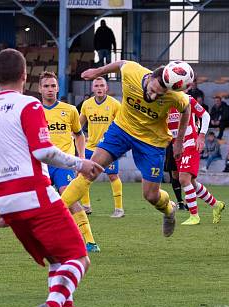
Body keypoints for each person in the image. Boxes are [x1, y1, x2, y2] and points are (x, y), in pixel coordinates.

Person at [0, 48, 103, 307]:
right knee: (79, 258)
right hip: (34, 193)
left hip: (8, 202)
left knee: (57, 260)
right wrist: (80, 162)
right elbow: (43, 152)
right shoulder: (29, 105)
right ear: (25, 76)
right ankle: (53, 306)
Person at [60, 59, 191, 238]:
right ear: (150, 77)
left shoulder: (176, 96)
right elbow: (121, 63)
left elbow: (187, 108)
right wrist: (98, 71)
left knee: (151, 196)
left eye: (159, 95)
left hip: (152, 141)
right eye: (152, 90)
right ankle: (56, 212)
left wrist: (179, 141)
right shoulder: (132, 72)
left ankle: (169, 210)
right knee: (90, 170)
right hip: (122, 129)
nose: (153, 97)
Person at [38, 71, 99, 252]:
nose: (50, 89)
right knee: (39, 203)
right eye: (46, 86)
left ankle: (89, 241)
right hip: (41, 165)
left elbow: (79, 136)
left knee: (70, 199)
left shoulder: (70, 110)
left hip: (63, 164)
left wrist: (81, 160)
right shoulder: (34, 111)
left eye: (53, 86)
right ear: (40, 89)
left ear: (58, 88)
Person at [167, 94, 225, 225]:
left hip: (191, 143)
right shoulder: (162, 102)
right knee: (191, 182)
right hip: (177, 147)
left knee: (183, 179)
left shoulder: (187, 99)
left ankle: (194, 216)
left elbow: (205, 115)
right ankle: (216, 205)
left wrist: (201, 136)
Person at [78, 77, 124, 218]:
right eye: (96, 85)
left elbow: (122, 124)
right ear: (93, 89)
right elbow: (78, 125)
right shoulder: (87, 104)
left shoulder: (115, 104)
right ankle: (86, 206)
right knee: (82, 175)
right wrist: (79, 138)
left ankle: (119, 209)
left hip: (108, 148)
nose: (99, 88)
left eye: (101, 85)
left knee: (112, 176)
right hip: (90, 146)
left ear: (106, 88)